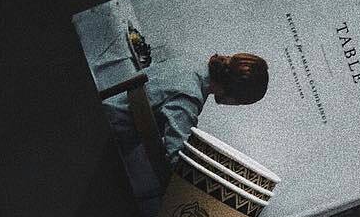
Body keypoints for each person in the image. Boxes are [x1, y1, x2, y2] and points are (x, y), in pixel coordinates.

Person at [103, 52, 269, 165]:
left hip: (102, 109)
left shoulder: (189, 62)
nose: (235, 105)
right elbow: (177, 155)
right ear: (233, 91)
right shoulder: (191, 96)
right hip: (105, 141)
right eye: (240, 102)